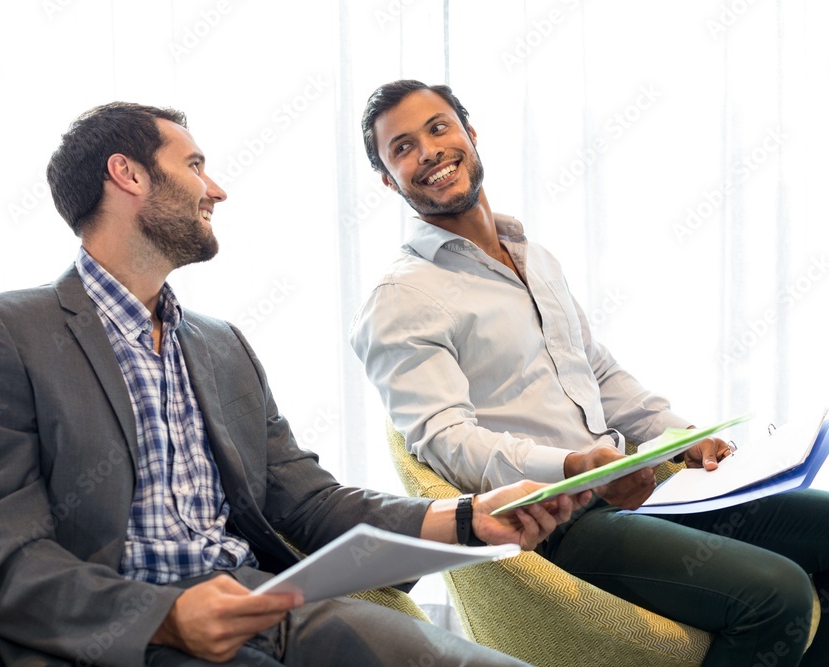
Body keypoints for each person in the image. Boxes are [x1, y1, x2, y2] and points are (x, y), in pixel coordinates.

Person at [0, 101, 589, 667]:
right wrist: (164, 614)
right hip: (125, 641)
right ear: (127, 174)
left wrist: (466, 516)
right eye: (193, 165)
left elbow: (304, 498)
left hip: (265, 605)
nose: (215, 189)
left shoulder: (219, 343)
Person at [349, 79, 829, 667]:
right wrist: (573, 469)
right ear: (387, 179)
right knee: (777, 594)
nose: (427, 150)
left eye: (439, 127)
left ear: (470, 136)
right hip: (556, 525)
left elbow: (597, 371)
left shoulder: (532, 255)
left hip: (638, 489)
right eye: (402, 147)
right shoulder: (401, 298)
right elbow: (447, 444)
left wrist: (680, 436)